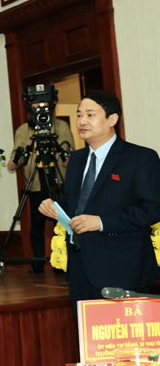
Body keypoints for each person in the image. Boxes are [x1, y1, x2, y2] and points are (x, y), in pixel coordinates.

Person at [39, 91, 160, 323]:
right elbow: (76, 202)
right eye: (79, 115)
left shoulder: (140, 157)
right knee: (87, 338)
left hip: (123, 267)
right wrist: (54, 206)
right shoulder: (76, 159)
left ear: (112, 119)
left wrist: (101, 222)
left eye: (90, 115)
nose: (81, 121)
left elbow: (152, 208)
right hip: (80, 267)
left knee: (122, 340)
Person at [7, 105, 75, 274]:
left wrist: (69, 159)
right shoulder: (24, 130)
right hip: (36, 180)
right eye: (36, 106)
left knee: (61, 223)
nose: (40, 110)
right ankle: (37, 263)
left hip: (58, 178)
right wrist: (14, 161)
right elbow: (17, 155)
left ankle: (62, 262)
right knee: (36, 224)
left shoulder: (61, 126)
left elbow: (70, 151)